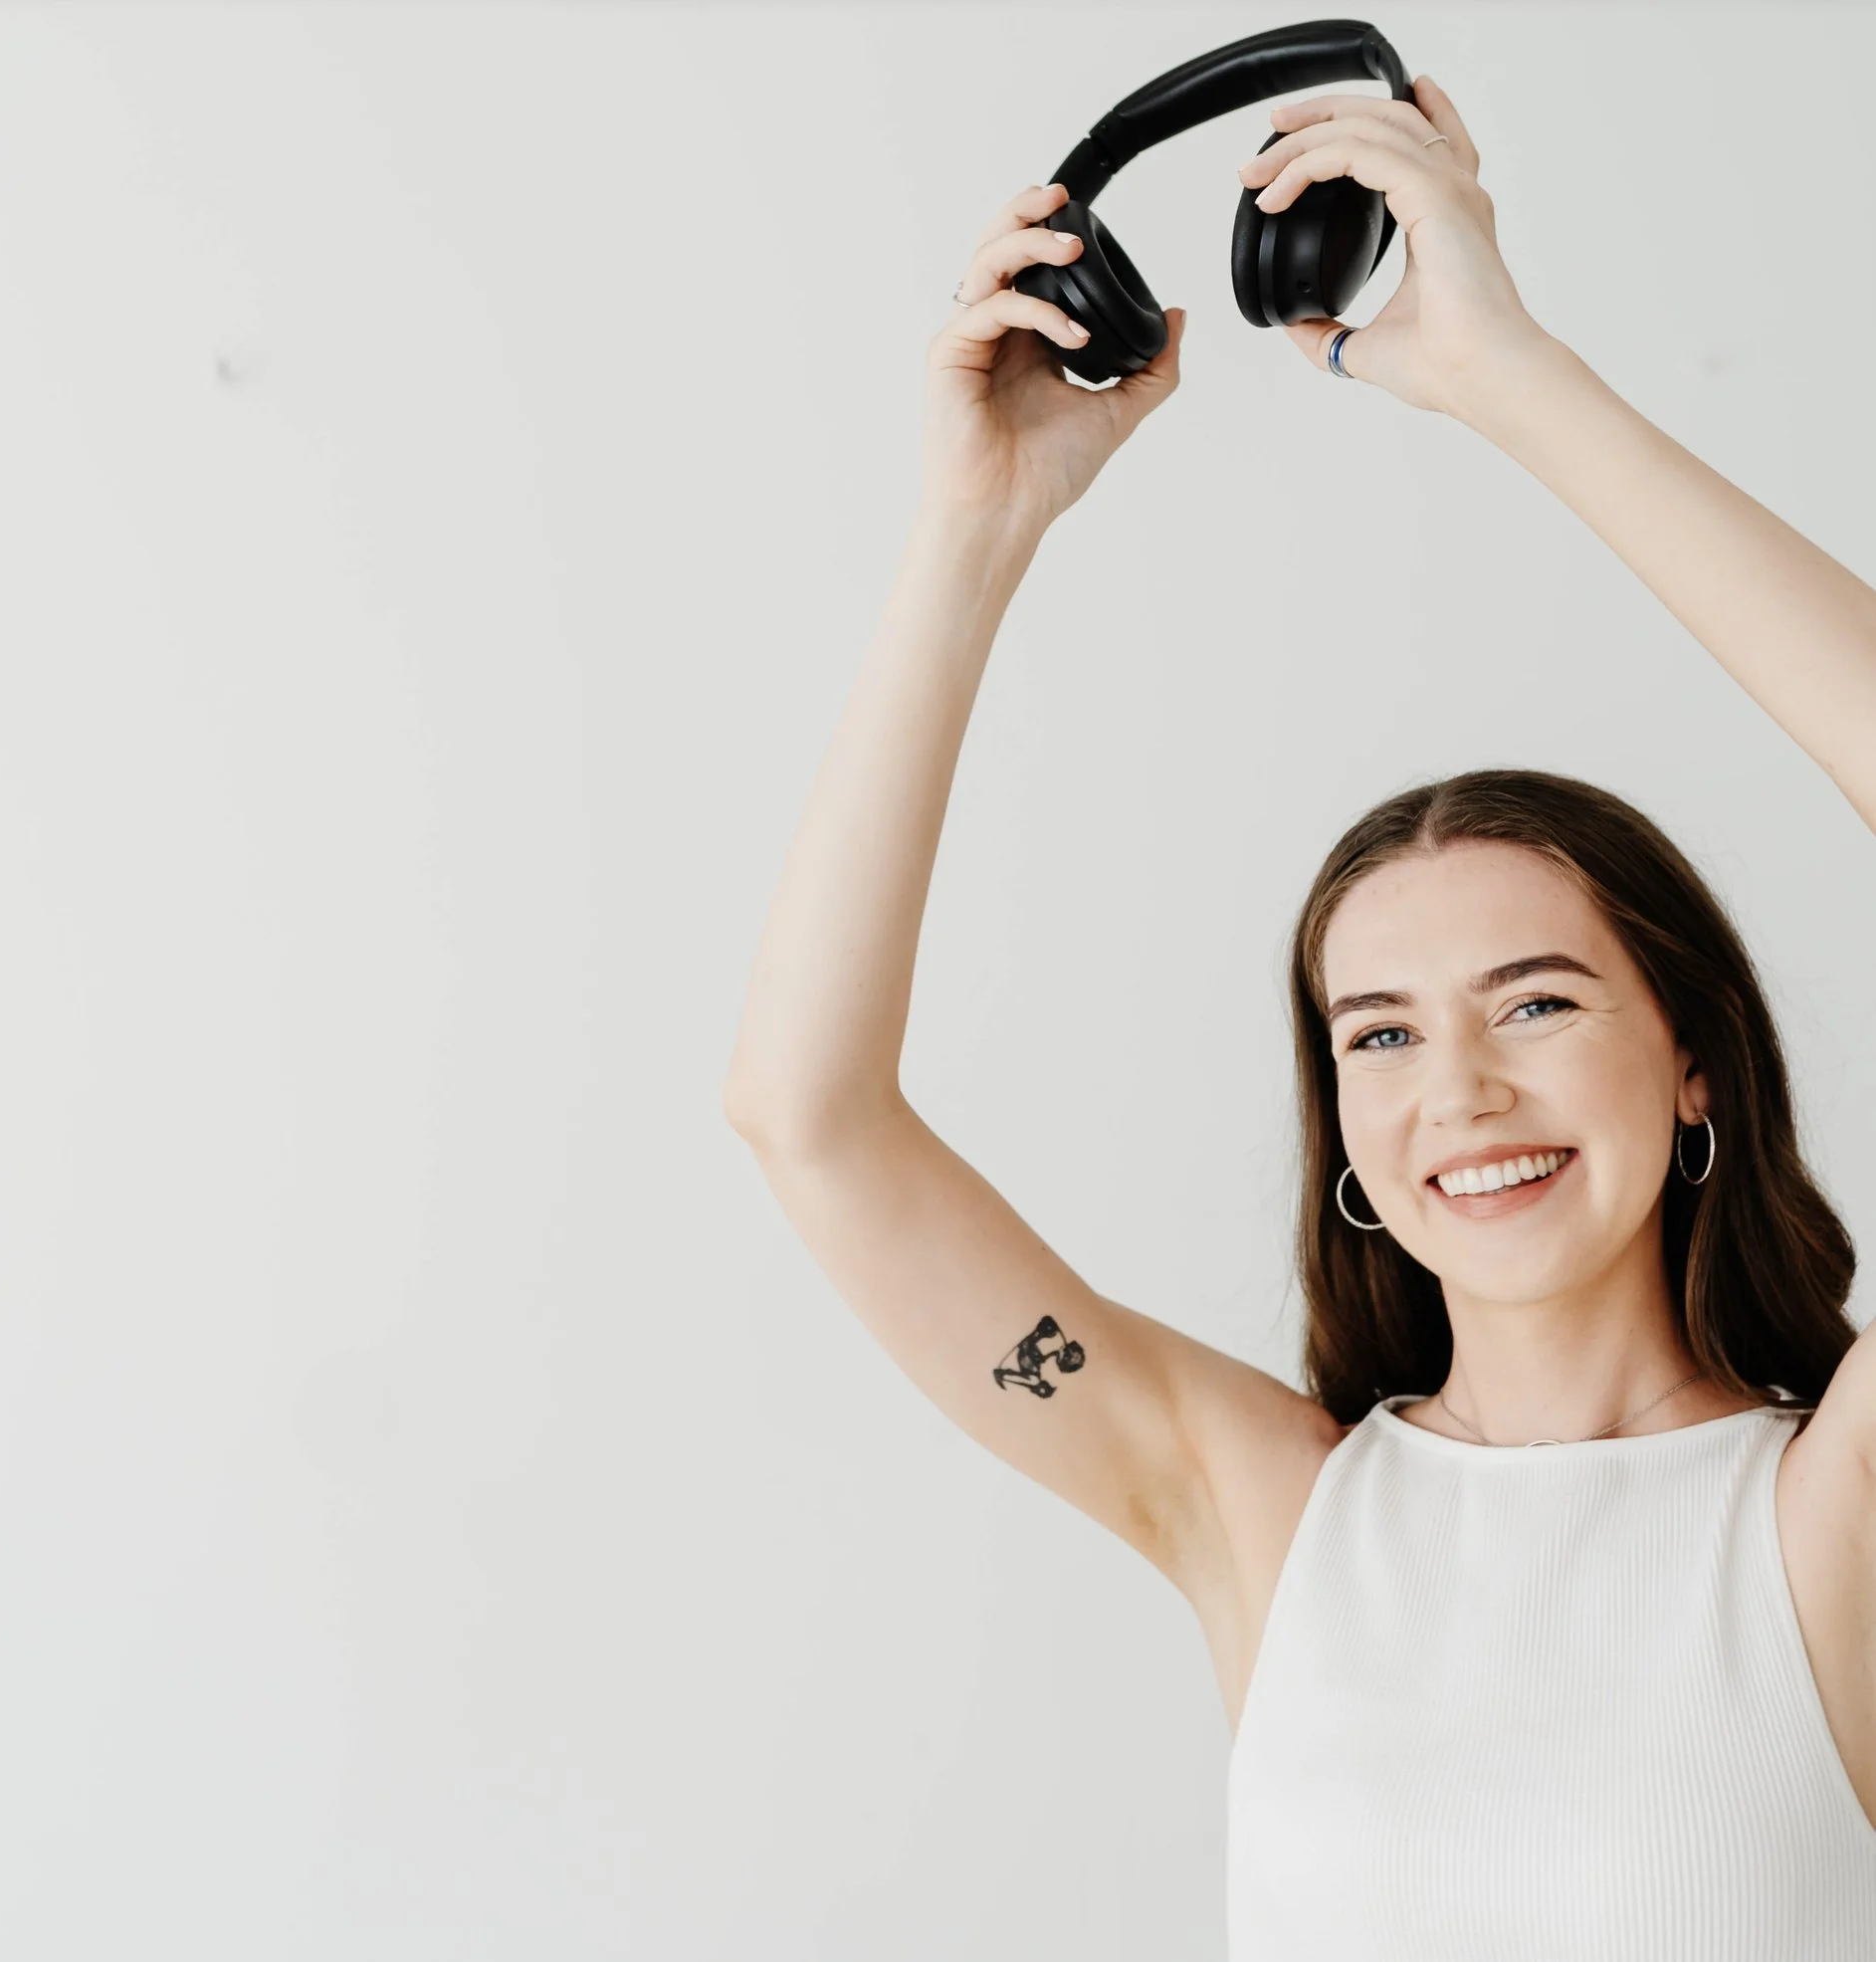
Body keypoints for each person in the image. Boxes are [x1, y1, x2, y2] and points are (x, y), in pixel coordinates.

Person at [718, 74, 1876, 1952]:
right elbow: (808, 1114)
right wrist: (975, 532)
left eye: (1538, 996)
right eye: (1382, 1033)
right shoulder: (1266, 1505)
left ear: (1693, 1069)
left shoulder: (1830, 1513)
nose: (1462, 1088)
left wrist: (1513, 379)